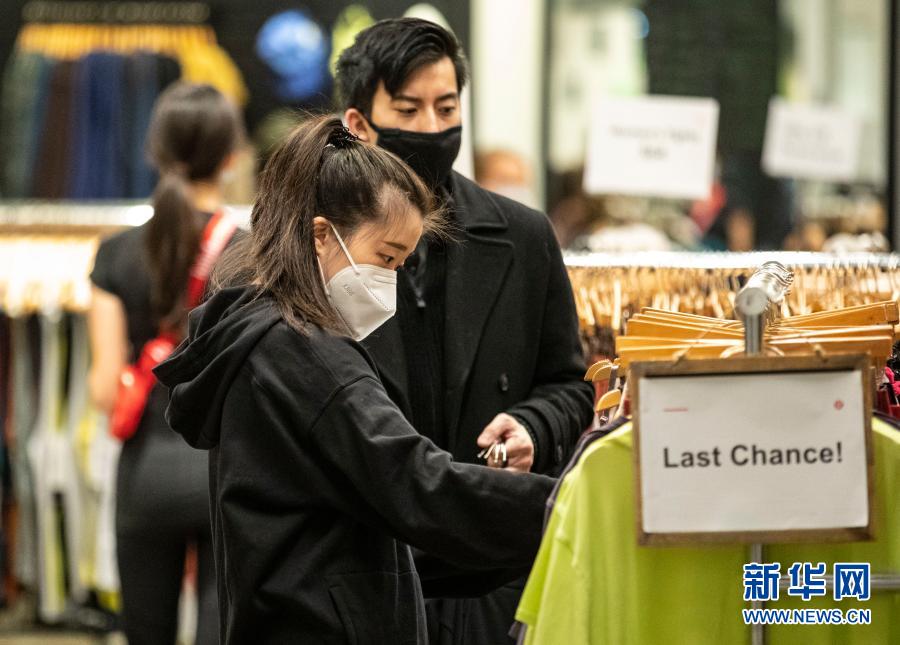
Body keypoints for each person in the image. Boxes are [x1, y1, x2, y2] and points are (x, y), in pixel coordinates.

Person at [151, 115, 555, 644]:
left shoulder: (263, 337)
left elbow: (351, 516)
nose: (389, 281)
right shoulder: (306, 353)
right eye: (385, 257)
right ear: (322, 235)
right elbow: (413, 477)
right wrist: (562, 507)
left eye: (400, 265)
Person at [335, 18, 595, 643]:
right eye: (408, 110)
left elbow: (571, 385)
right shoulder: (325, 248)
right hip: (364, 576)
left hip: (490, 578)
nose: (430, 128)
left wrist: (533, 427)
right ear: (359, 124)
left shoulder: (522, 237)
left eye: (446, 108)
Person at [88, 83, 243, 645]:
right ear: (231, 157)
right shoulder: (254, 252)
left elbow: (104, 390)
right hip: (227, 477)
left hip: (144, 478)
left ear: (154, 152)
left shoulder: (115, 254)